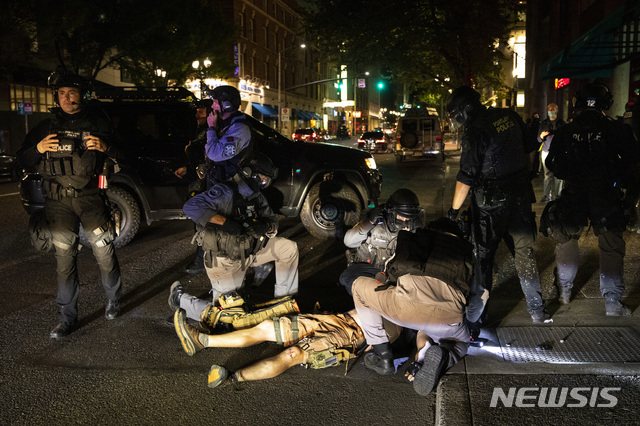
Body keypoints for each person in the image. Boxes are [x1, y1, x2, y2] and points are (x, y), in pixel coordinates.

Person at [17, 71, 123, 338]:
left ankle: (113, 300)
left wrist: (107, 147)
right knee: (64, 259)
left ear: (81, 96)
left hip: (90, 199)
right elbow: (23, 160)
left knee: (103, 251)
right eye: (61, 93)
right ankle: (67, 317)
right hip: (58, 202)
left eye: (71, 92)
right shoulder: (44, 126)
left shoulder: (99, 123)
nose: (66, 98)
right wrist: (38, 149)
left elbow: (128, 154)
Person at [445, 86, 549, 326]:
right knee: (524, 254)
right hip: (520, 197)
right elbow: (531, 147)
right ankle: (538, 311)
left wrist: (452, 212)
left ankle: (479, 320)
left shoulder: (475, 132)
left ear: (465, 111)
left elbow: (466, 177)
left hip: (489, 206)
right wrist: (527, 174)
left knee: (483, 261)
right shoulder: (508, 116)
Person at [544, 83, 640, 314]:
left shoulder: (567, 131)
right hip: (607, 194)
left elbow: (552, 164)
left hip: (573, 193)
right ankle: (612, 303)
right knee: (611, 245)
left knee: (567, 238)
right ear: (606, 103)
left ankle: (564, 293)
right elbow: (634, 163)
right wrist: (629, 195)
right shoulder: (617, 129)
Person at [169, 151, 299, 321]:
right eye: (263, 177)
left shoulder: (256, 196)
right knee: (229, 318)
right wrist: (227, 223)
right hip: (225, 260)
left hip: (250, 252)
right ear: (248, 172)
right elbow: (191, 207)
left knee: (289, 249)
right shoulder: (224, 191)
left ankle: (283, 305)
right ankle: (181, 301)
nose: (265, 182)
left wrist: (265, 226)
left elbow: (273, 219)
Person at [351, 218, 473, 395]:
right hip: (447, 319)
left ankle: (382, 355)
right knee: (461, 342)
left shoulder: (417, 241)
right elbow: (479, 297)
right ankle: (438, 356)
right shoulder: (465, 254)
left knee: (359, 286)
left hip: (405, 311)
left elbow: (386, 276)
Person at [173, 306, 365, 388]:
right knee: (267, 328)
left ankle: (232, 378)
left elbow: (379, 344)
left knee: (292, 354)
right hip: (335, 320)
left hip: (351, 337)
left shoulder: (395, 324)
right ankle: (201, 341)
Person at [339, 188, 424, 295]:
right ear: (391, 210)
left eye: (407, 218)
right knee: (347, 278)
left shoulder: (415, 224)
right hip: (368, 267)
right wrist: (368, 223)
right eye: (401, 216)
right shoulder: (375, 217)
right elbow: (349, 241)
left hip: (395, 271)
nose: (404, 220)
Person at [174, 99, 212, 275]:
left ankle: (202, 260)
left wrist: (191, 149)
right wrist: (187, 168)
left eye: (201, 111)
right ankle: (202, 259)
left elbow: (202, 157)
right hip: (200, 182)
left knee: (202, 222)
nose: (197, 114)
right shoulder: (200, 130)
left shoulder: (210, 132)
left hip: (207, 184)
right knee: (200, 222)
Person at [203, 85, 253, 187]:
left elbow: (213, 153)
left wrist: (212, 128)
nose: (212, 106)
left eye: (215, 103)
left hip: (230, 187)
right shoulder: (226, 125)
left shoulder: (239, 129)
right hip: (219, 184)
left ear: (226, 105)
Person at [538, 103, 566, 202]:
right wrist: (542, 136)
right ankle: (546, 196)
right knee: (547, 175)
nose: (551, 111)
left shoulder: (562, 124)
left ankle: (558, 196)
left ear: (557, 110)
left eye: (553, 109)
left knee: (559, 175)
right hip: (546, 151)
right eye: (549, 109)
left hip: (559, 152)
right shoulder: (544, 123)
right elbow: (538, 139)